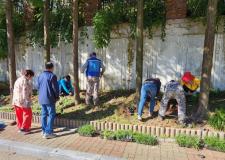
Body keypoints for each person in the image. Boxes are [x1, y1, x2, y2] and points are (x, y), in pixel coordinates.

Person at [36, 62, 59, 139]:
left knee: (44, 114)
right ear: (52, 68)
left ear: (45, 67)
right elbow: (55, 88)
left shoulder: (40, 75)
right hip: (49, 98)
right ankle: (48, 132)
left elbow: (38, 87)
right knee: (51, 114)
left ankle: (43, 130)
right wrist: (57, 96)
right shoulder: (52, 76)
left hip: (41, 98)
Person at [12, 69, 34, 134]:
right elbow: (25, 92)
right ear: (29, 75)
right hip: (23, 101)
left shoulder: (18, 80)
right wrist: (27, 100)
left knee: (19, 115)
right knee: (28, 114)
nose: (31, 78)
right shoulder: (25, 81)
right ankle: (25, 128)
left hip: (16, 100)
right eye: (31, 76)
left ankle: (20, 127)